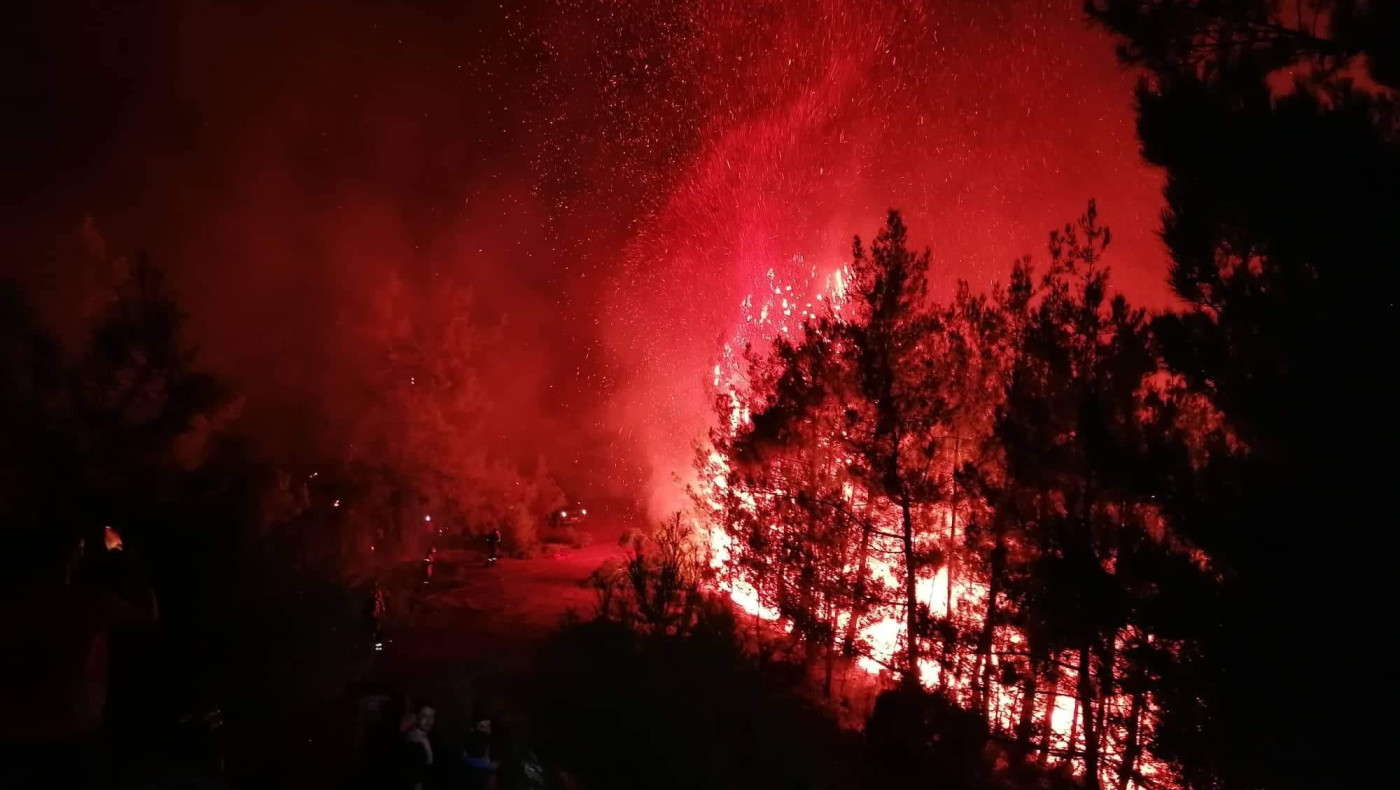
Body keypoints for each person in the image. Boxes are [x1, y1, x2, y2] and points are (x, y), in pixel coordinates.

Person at [0, 524, 158, 789]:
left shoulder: (13, 603)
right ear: (74, 554)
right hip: (72, 734)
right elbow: (147, 614)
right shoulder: (88, 603)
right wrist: (127, 558)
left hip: (15, 732)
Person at [400, 700, 436, 790]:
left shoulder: (433, 737)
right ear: (416, 717)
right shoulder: (410, 739)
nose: (429, 721)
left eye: (431, 716)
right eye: (424, 716)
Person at [461, 719, 498, 790]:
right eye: (482, 727)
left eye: (489, 726)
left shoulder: (496, 748)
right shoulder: (467, 753)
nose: (487, 730)